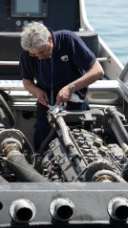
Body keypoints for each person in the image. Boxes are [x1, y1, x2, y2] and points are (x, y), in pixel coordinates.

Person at [19, 22, 104, 151]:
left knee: (81, 147)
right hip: (46, 108)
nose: (40, 58)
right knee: (40, 146)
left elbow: (97, 71)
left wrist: (71, 88)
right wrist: (37, 92)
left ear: (49, 39)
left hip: (76, 108)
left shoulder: (68, 40)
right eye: (34, 55)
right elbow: (27, 81)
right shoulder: (29, 53)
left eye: (42, 52)